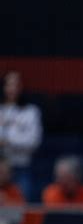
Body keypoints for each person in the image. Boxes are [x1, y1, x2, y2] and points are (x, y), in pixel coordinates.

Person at [0, 71, 42, 200]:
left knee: (21, 208)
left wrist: (8, 141)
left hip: (21, 166)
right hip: (0, 166)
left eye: (16, 85)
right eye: (9, 85)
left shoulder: (31, 111)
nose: (12, 89)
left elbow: (32, 141)